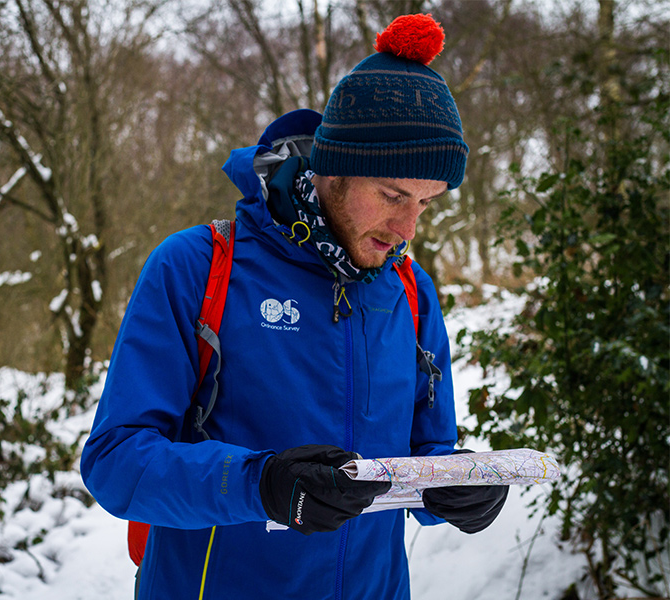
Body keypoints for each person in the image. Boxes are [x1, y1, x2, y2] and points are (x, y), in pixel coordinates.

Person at [81, 13, 507, 600]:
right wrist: (261, 484)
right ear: (333, 167)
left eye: (426, 203)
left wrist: (452, 487)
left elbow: (421, 454)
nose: (407, 227)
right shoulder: (199, 267)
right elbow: (116, 460)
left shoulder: (411, 293)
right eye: (391, 195)